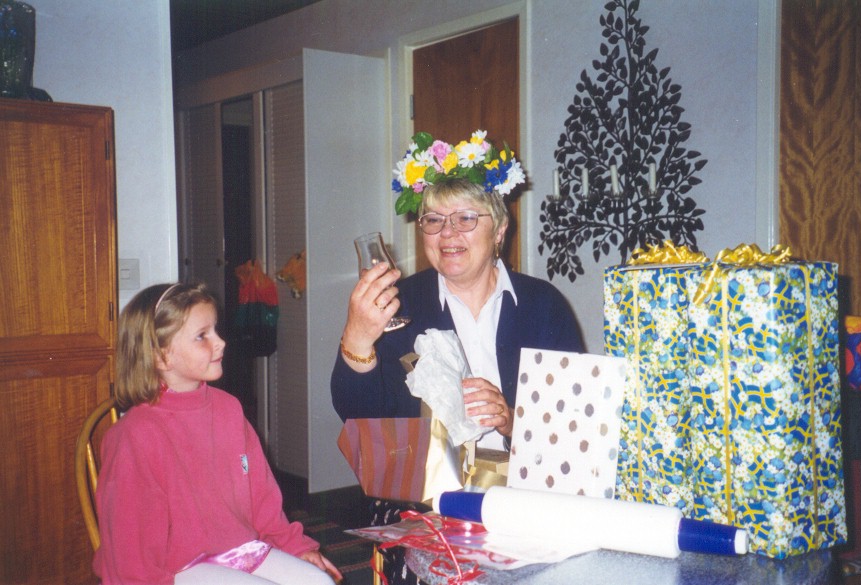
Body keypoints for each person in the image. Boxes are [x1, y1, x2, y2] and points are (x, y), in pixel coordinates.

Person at [331, 131, 583, 584]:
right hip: (427, 504)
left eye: (466, 218)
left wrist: (512, 420)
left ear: (500, 230)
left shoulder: (545, 306)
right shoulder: (397, 306)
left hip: (525, 491)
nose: (448, 233)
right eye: (433, 220)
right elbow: (361, 419)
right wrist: (358, 337)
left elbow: (575, 427)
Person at [94, 282, 341, 585]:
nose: (221, 342)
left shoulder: (228, 409)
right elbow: (129, 546)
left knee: (319, 581)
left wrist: (296, 546)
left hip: (238, 550)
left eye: (216, 330)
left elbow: (262, 497)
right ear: (160, 356)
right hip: (176, 568)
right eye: (202, 336)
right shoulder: (135, 435)